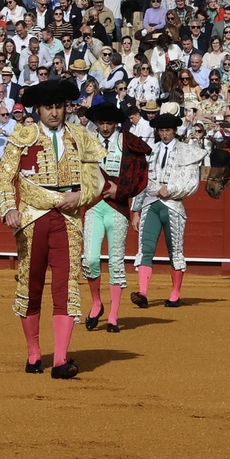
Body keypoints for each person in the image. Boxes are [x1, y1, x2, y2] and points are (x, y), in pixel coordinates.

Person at [0, 79, 103, 378]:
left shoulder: (81, 136)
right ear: (38, 109)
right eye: (48, 107)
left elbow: (96, 179)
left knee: (65, 286)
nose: (54, 113)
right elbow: (4, 178)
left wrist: (81, 196)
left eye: (58, 107)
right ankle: (34, 354)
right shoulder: (22, 136)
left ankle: (60, 360)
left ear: (66, 108)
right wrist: (9, 208)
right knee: (31, 286)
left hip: (67, 219)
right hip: (32, 218)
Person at [81, 101, 149, 332]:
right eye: (101, 123)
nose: (105, 128)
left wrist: (121, 191)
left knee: (116, 261)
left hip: (118, 208)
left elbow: (141, 175)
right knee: (90, 260)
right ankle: (96, 303)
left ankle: (113, 315)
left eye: (109, 123)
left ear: (116, 123)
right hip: (94, 206)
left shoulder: (128, 142)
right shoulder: (88, 142)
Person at [132, 112, 206, 309]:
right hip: (150, 204)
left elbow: (191, 182)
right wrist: (136, 210)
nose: (164, 134)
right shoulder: (150, 151)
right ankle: (142, 293)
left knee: (175, 250)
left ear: (174, 131)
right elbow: (141, 182)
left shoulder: (187, 151)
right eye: (161, 130)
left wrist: (170, 189)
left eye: (167, 130)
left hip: (173, 205)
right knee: (145, 248)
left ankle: (175, 294)